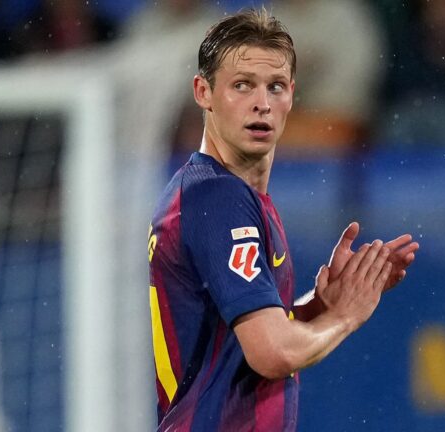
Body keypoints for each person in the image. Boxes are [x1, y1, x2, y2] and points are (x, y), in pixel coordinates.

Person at [147, 8, 419, 431]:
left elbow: (238, 345)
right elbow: (272, 353)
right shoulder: (218, 198)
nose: (262, 103)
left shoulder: (222, 193)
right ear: (203, 92)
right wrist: (345, 316)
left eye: (274, 86)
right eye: (242, 85)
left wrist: (320, 306)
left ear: (292, 94)